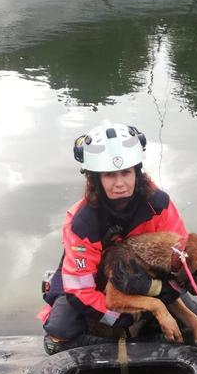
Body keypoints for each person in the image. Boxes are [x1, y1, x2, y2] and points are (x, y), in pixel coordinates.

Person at [39, 120, 189, 355]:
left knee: (187, 317)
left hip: (141, 275)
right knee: (60, 331)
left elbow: (181, 258)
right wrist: (121, 317)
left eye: (126, 172)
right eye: (109, 175)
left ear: (137, 171)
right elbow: (81, 292)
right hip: (91, 275)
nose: (120, 184)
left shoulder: (159, 205)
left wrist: (163, 296)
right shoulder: (82, 223)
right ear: (95, 179)